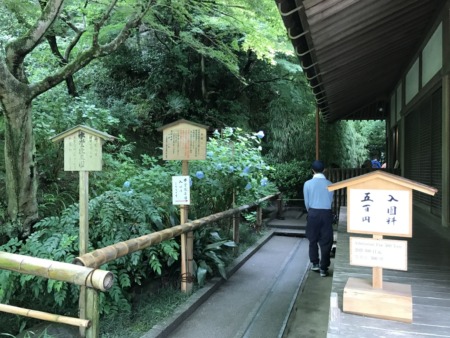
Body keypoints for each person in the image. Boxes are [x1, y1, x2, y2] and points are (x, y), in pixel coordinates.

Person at [303, 160, 334, 277]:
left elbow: (306, 202)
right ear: (324, 170)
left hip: (313, 213)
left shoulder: (307, 184)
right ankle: (323, 268)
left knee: (312, 239)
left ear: (312, 170)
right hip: (326, 213)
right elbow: (331, 201)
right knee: (326, 241)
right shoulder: (330, 184)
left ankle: (315, 263)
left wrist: (311, 212)